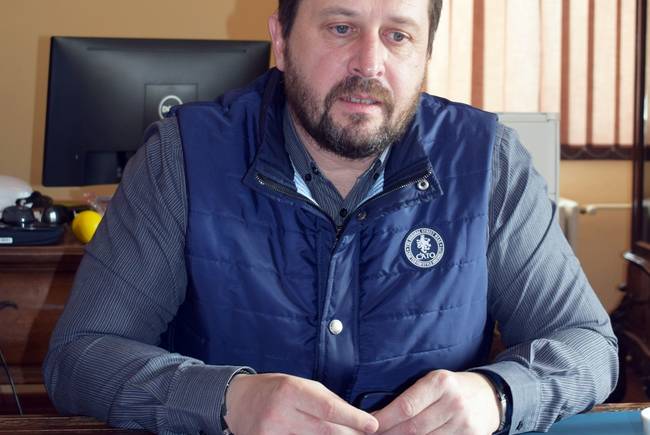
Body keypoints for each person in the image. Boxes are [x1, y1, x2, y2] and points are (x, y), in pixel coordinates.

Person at [43, 0, 618, 434]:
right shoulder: (183, 157)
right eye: (341, 28)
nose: (369, 63)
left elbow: (588, 345)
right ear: (281, 40)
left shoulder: (488, 162)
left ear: (425, 55)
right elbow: (80, 357)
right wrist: (227, 400)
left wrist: (497, 395)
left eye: (398, 35)